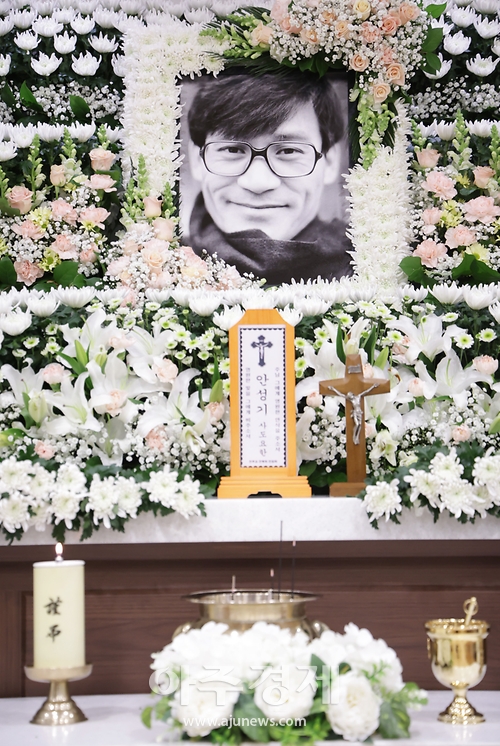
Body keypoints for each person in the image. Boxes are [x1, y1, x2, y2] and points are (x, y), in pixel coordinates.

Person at [183, 71, 353, 286]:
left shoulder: (370, 270)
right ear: (197, 159)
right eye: (232, 149)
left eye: (288, 151)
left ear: (329, 161)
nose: (258, 183)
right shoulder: (158, 266)